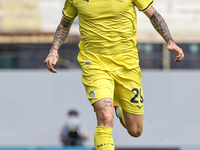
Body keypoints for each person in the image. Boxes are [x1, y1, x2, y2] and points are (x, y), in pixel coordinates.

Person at [44, 0, 184, 149]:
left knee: (136, 130)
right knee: (105, 116)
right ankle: (112, 112)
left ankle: (119, 110)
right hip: (94, 64)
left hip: (127, 65)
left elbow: (154, 15)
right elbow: (65, 23)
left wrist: (170, 40)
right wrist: (54, 50)